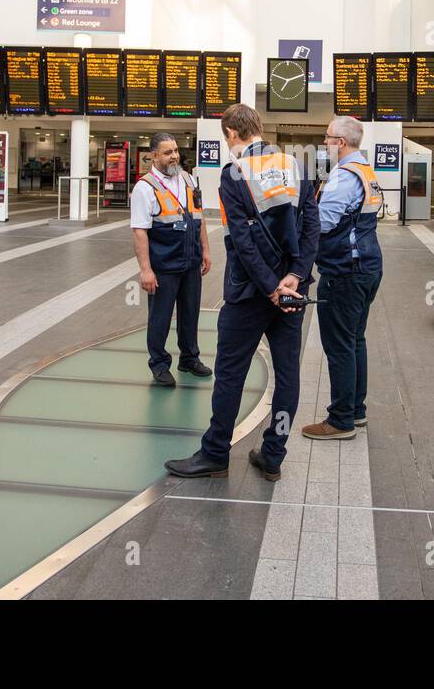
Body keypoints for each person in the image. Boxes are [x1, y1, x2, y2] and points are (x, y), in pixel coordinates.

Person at [165, 104, 319, 482]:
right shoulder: (297, 166)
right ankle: (273, 454)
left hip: (250, 293)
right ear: (260, 128)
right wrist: (295, 276)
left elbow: (245, 241)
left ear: (233, 134)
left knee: (231, 374)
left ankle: (216, 453)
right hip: (292, 294)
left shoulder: (233, 174)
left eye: (226, 137)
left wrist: (269, 287)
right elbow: (312, 225)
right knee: (287, 377)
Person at [302, 115, 384, 441]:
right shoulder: (366, 171)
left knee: (338, 346)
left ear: (342, 143)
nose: (324, 143)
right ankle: (356, 411)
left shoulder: (343, 176)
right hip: (368, 266)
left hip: (344, 271)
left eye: (327, 137)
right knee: (354, 340)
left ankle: (340, 420)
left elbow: (322, 223)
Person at [130, 133, 213, 386]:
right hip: (164, 267)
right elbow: (139, 231)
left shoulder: (188, 179)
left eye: (175, 151)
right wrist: (146, 270)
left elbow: (199, 218)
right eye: (168, 152)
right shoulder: (145, 188)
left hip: (190, 263)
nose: (175, 156)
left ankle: (189, 358)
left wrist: (206, 251)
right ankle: (159, 364)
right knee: (161, 318)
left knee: (190, 314)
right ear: (154, 156)